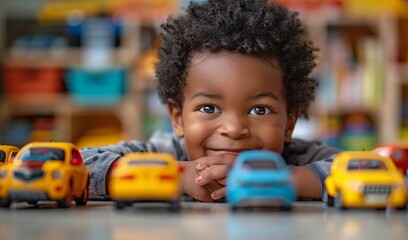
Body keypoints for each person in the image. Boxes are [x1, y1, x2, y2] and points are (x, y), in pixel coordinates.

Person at [81, 0, 341, 202]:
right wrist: (178, 177)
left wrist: (279, 179)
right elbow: (81, 164)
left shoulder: (298, 157)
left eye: (259, 109)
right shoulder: (166, 154)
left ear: (289, 123)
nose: (234, 128)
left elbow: (371, 171)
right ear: (178, 118)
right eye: (209, 108)